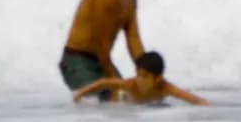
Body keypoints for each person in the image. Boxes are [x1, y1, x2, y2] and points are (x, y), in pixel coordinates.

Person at [59, 0, 153, 102]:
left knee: (134, 100)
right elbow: (101, 45)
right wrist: (115, 83)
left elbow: (133, 38)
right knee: (107, 102)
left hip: (100, 61)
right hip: (77, 62)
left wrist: (146, 72)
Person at [72, 50, 208, 106]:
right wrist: (80, 94)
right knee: (113, 99)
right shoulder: (131, 84)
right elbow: (104, 82)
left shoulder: (165, 88)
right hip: (120, 97)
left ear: (158, 78)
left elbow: (193, 99)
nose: (139, 79)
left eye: (145, 76)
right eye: (138, 74)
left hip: (146, 104)